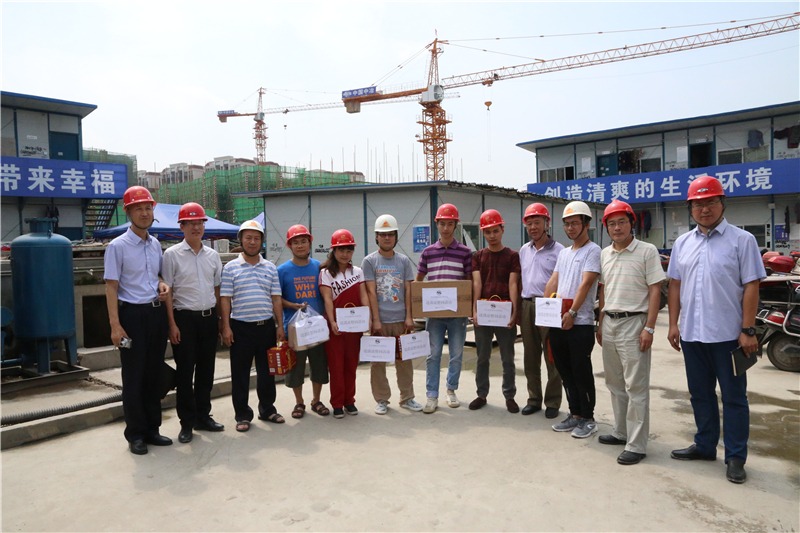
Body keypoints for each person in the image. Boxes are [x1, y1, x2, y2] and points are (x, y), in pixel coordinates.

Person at [667, 175, 765, 484]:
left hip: (728, 337)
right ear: (690, 208)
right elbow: (675, 285)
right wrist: (673, 323)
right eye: (698, 204)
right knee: (700, 394)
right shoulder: (682, 243)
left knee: (734, 398)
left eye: (710, 202)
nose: (704, 209)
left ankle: (735, 457)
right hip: (692, 335)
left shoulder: (742, 240)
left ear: (722, 203)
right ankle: (705, 445)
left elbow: (751, 285)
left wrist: (748, 329)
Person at [596, 199, 665, 465]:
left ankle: (636, 444)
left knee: (636, 385)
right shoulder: (605, 254)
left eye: (622, 222)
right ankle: (621, 431)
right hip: (610, 322)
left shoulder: (647, 251)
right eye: (612, 223)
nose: (617, 228)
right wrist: (600, 321)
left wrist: (649, 327)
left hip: (635, 323)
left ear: (631, 223)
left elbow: (655, 290)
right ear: (606, 227)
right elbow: (604, 289)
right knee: (614, 383)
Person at [104, 186, 172, 455]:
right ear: (128, 212)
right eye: (138, 209)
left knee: (153, 373)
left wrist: (162, 284)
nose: (144, 213)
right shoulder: (117, 246)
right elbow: (111, 287)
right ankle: (135, 434)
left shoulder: (155, 244)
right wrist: (115, 325)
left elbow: (156, 276)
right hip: (131, 316)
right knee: (134, 375)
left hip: (155, 314)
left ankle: (153, 429)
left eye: (148, 208)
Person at [162, 202, 225, 444]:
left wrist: (220, 320)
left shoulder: (213, 256)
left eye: (199, 222)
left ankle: (203, 416)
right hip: (184, 320)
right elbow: (168, 291)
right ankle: (186, 422)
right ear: (182, 226)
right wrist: (172, 324)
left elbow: (217, 289)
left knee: (206, 372)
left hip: (208, 319)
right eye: (190, 223)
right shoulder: (172, 255)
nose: (196, 227)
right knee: (185, 372)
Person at [219, 220, 285, 432]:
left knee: (267, 372)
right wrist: (226, 327)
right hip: (240, 328)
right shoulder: (230, 268)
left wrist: (279, 325)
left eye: (257, 238)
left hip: (265, 327)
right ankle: (242, 414)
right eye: (248, 237)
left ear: (262, 241)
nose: (252, 242)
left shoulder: (270, 267)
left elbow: (276, 298)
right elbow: (225, 299)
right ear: (241, 240)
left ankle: (267, 409)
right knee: (240, 374)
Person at [544, 200, 601, 439]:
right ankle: (575, 413)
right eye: (567, 224)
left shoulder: (593, 251)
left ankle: (588, 418)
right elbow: (553, 281)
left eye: (575, 223)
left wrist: (573, 313)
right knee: (565, 371)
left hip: (580, 322)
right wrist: (545, 307)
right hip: (559, 320)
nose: (570, 228)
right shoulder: (564, 253)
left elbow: (586, 284)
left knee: (581, 371)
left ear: (586, 224)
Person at [416, 203, 473, 414]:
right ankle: (432, 395)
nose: (446, 228)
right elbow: (418, 281)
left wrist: (468, 308)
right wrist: (418, 305)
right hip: (434, 315)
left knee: (456, 353)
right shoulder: (428, 252)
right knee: (433, 355)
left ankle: (451, 389)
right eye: (442, 224)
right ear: (437, 225)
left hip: (457, 314)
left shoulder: (465, 252)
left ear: (455, 225)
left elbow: (468, 282)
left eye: (450, 224)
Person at [362, 214, 422, 415]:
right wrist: (375, 320)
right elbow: (371, 292)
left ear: (396, 236)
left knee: (404, 362)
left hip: (401, 320)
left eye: (390, 234)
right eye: (382, 234)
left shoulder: (403, 261)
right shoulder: (369, 261)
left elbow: (408, 290)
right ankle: (381, 399)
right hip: (380, 322)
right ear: (376, 237)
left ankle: (407, 398)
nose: (387, 238)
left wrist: (409, 317)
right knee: (378, 363)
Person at [469, 209, 521, 413]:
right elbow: (477, 283)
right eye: (488, 232)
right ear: (483, 233)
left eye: (495, 231)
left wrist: (514, 311)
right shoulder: (478, 256)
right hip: (484, 312)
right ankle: (481, 394)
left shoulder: (512, 256)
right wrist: (474, 310)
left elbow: (513, 284)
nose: (492, 235)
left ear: (502, 229)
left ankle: (510, 396)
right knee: (482, 357)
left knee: (508, 358)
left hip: (504, 313)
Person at [278, 224, 331, 419]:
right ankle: (299, 402)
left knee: (318, 366)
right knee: (295, 368)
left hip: (317, 328)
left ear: (310, 243)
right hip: (294, 329)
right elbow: (276, 298)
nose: (300, 245)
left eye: (303, 241)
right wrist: (292, 305)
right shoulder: (282, 270)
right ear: (289, 245)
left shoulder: (319, 267)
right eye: (296, 242)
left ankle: (316, 400)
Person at [518, 203, 564, 419]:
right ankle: (534, 399)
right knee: (530, 355)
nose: (533, 227)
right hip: (527, 305)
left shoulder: (559, 251)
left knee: (552, 355)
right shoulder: (523, 251)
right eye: (529, 223)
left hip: (549, 305)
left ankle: (553, 401)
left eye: (537, 222)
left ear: (547, 223)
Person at [319, 229, 369, 419]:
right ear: (333, 251)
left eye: (349, 250)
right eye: (341, 250)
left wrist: (367, 317)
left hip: (355, 325)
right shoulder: (325, 273)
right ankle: (337, 403)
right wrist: (332, 321)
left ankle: (349, 400)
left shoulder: (357, 271)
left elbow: (363, 295)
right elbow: (327, 299)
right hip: (336, 327)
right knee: (336, 366)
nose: (345, 254)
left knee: (351, 364)